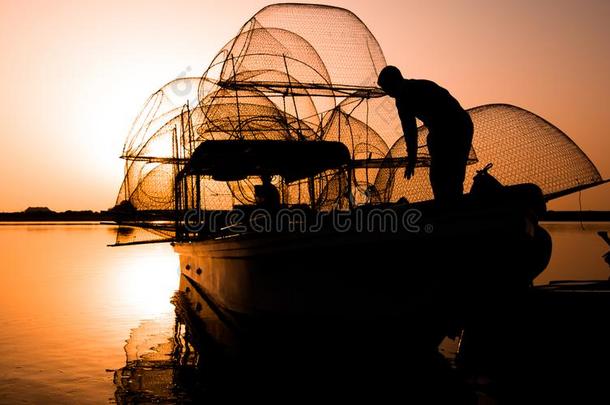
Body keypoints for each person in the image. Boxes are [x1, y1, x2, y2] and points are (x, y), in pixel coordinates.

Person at [377, 66, 473, 204]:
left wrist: (416, 155)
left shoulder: (419, 89)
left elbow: (443, 113)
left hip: (458, 127)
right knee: (439, 176)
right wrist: (412, 158)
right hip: (443, 130)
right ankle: (447, 207)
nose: (388, 94)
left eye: (387, 88)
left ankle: (453, 210)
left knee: (452, 174)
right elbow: (409, 131)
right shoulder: (401, 100)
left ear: (395, 82)